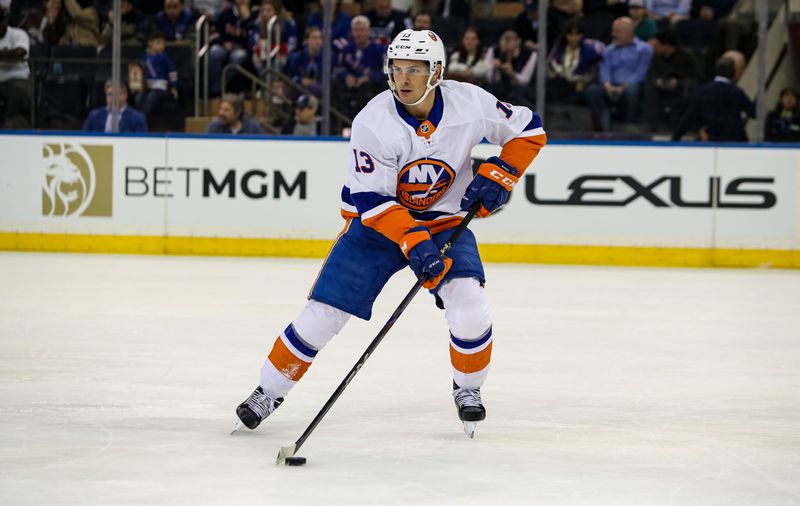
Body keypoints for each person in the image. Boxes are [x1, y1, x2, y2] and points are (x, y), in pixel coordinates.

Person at [234, 29, 547, 438]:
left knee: (469, 303)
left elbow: (529, 129)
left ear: (436, 71)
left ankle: (468, 389)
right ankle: (268, 391)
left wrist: (502, 173)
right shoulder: (373, 121)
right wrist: (413, 242)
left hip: (443, 222)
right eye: (397, 69)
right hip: (375, 227)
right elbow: (373, 202)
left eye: (414, 70)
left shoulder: (469, 103)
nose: (403, 79)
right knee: (323, 316)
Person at [584, 16, 653, 131]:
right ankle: (603, 127)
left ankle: (629, 125)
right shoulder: (609, 50)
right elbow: (605, 69)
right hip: (610, 86)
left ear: (629, 32)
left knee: (631, 90)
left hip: (631, 85)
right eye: (613, 31)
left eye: (617, 31)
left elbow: (641, 72)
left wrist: (623, 86)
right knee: (592, 90)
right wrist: (607, 84)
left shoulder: (644, 49)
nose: (613, 34)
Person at [671, 57, 754, 142]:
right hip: (734, 142)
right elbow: (754, 112)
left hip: (711, 139)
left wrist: (675, 138)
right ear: (733, 72)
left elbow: (689, 117)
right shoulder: (735, 92)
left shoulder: (703, 91)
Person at [645, 28, 698, 131]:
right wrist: (657, 81)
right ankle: (652, 127)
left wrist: (678, 82)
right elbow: (651, 74)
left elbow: (694, 76)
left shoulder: (686, 57)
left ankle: (682, 126)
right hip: (660, 89)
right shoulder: (656, 57)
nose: (654, 48)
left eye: (657, 45)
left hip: (681, 88)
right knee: (649, 89)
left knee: (688, 90)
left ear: (667, 45)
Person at [333, 15, 386, 118]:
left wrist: (368, 77)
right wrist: (346, 76)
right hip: (349, 88)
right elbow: (337, 68)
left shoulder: (379, 50)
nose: (359, 34)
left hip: (370, 89)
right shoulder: (346, 49)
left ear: (369, 31)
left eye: (362, 30)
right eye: (356, 30)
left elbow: (386, 71)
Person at [547, 19, 604, 104]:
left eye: (577, 35)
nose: (573, 38)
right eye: (570, 34)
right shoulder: (559, 49)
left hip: (579, 83)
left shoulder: (589, 51)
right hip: (560, 82)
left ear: (582, 35)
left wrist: (583, 81)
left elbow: (594, 71)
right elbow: (550, 66)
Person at [208, 0, 258, 97]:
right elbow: (214, 34)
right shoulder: (227, 13)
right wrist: (223, 43)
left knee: (238, 56)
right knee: (214, 52)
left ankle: (217, 88)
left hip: (244, 49)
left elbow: (255, 36)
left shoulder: (255, 14)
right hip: (226, 46)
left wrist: (247, 19)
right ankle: (213, 90)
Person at [486, 30, 537, 107]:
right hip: (499, 89)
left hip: (521, 91)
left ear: (518, 42)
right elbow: (490, 79)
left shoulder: (530, 54)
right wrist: (494, 69)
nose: (506, 48)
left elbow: (525, 81)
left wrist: (512, 74)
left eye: (509, 43)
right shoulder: (494, 50)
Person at [136, 31, 178, 118]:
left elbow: (172, 72)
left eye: (163, 44)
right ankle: (139, 116)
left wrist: (174, 87)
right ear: (150, 43)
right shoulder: (145, 57)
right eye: (158, 43)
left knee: (152, 97)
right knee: (139, 97)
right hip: (148, 86)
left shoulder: (164, 58)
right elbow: (140, 70)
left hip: (160, 87)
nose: (161, 46)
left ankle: (143, 117)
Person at [0, 8, 31, 129]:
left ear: (5, 21)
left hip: (18, 79)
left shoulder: (18, 34)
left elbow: (20, 52)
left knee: (17, 95)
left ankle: (9, 125)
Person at [83, 81, 148, 132]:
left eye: (116, 94)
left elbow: (141, 143)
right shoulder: (94, 116)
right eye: (110, 94)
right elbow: (82, 138)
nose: (113, 97)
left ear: (125, 95)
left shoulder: (137, 118)